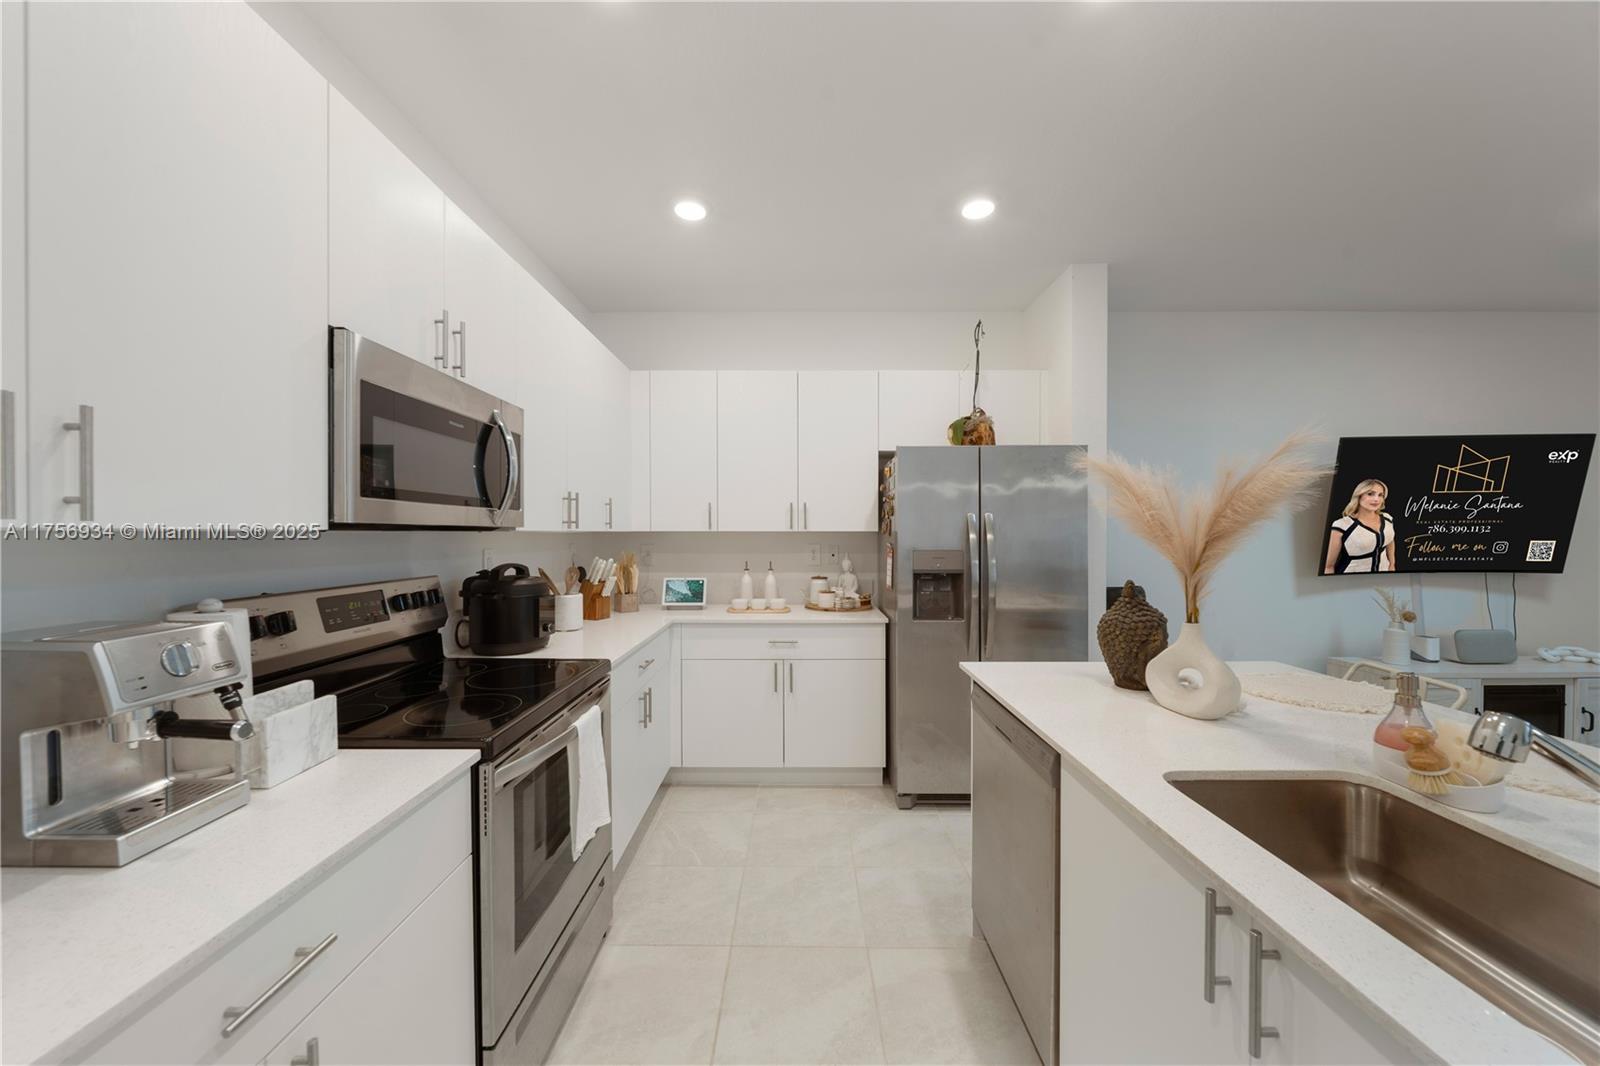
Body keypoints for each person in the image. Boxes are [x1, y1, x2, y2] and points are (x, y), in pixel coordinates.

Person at [1324, 478, 1397, 573]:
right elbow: (1329, 566)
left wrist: (1392, 564)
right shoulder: (1343, 525)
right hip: (1353, 578)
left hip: (1384, 577)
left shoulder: (1387, 518)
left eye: (1380, 495)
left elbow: (1390, 540)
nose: (1376, 499)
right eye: (1370, 494)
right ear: (1359, 496)